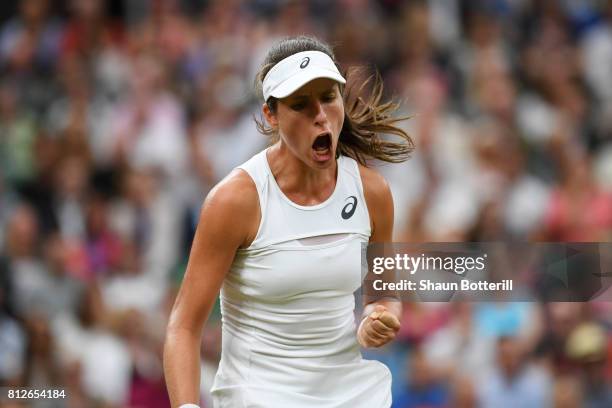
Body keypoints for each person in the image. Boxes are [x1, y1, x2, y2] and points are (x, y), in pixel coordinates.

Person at [163, 35, 413, 408]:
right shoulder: (235, 200)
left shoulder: (372, 192)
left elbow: (384, 294)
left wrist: (378, 316)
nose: (320, 115)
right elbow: (183, 327)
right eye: (300, 105)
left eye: (329, 97)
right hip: (257, 398)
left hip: (353, 396)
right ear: (271, 115)